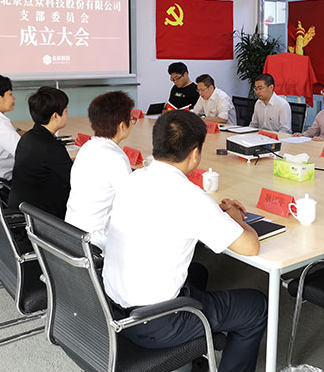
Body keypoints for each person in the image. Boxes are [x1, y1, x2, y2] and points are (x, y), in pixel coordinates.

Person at [103, 110, 267, 372]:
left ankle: (191, 357)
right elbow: (250, 246)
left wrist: (214, 215)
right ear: (195, 153)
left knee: (198, 272)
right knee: (255, 306)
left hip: (112, 310)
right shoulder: (190, 197)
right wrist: (236, 219)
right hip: (154, 322)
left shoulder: (133, 179)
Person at [65, 91, 135, 251]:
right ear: (121, 126)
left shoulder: (87, 147)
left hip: (72, 234)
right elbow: (132, 205)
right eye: (131, 119)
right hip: (96, 245)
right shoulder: (116, 157)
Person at [8, 87, 72, 219]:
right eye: (66, 111)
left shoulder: (28, 137)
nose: (67, 114)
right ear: (55, 116)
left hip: (23, 209)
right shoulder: (51, 147)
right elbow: (74, 179)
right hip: (43, 218)